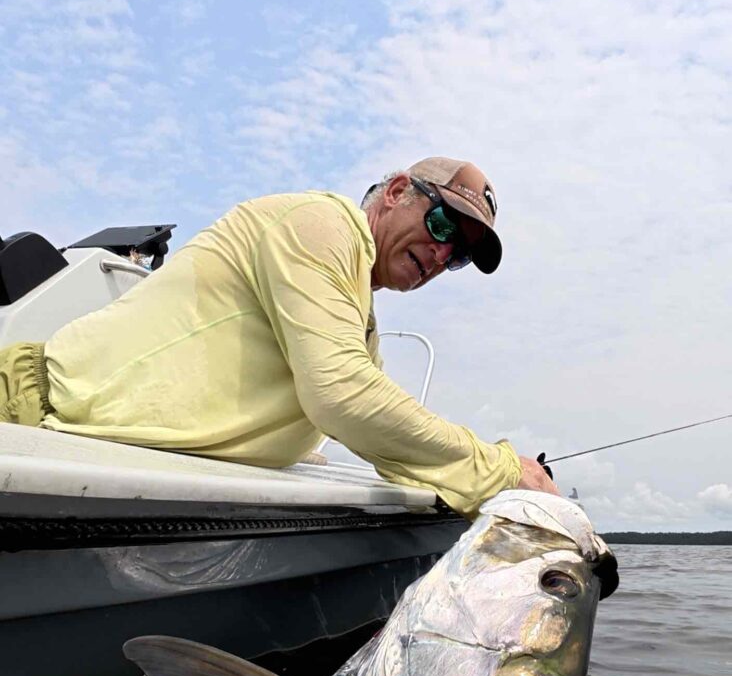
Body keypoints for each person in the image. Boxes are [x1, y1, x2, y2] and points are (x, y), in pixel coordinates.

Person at [0, 156, 558, 518]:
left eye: (458, 257)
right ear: (394, 192)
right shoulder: (323, 223)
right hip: (31, 408)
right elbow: (345, 398)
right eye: (442, 226)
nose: (441, 254)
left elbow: (378, 428)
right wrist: (503, 470)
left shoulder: (356, 314)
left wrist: (497, 491)